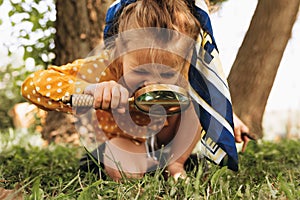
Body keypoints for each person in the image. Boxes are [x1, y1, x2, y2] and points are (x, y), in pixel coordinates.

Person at [21, 0, 251, 181]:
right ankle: (135, 165)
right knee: (125, 169)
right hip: (126, 141)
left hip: (169, 143)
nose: (152, 83)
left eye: (166, 73)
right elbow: (33, 85)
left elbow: (209, 98)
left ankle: (176, 164)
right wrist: (90, 89)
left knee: (195, 99)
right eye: (141, 72)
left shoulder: (188, 69)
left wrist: (230, 120)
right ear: (119, 52)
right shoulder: (105, 66)